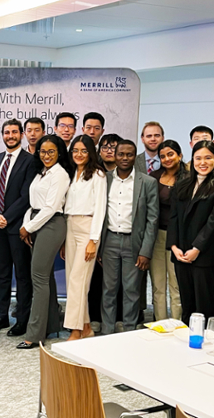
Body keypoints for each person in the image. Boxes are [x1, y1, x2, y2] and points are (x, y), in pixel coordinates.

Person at [0, 119, 36, 336]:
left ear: (21, 135)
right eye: (7, 132)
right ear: (2, 136)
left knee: (22, 275)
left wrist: (6, 216)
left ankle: (22, 320)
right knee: (1, 274)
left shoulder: (30, 161)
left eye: (14, 132)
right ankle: (2, 317)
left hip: (17, 228)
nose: (10, 135)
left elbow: (27, 195)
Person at [17, 134, 71, 348]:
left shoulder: (60, 175)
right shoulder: (41, 173)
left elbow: (50, 208)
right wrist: (26, 224)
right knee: (45, 277)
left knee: (38, 278)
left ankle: (34, 335)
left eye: (51, 151)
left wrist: (27, 227)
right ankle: (50, 325)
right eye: (43, 151)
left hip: (51, 224)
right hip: (36, 222)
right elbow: (33, 204)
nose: (46, 155)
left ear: (59, 153)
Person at [100, 139, 159, 334]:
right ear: (114, 156)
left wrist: (146, 251)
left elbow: (152, 219)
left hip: (134, 242)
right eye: (121, 154)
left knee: (131, 291)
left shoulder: (148, 182)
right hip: (109, 240)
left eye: (129, 154)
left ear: (135, 156)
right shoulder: (104, 179)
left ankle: (129, 331)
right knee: (108, 290)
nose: (125, 158)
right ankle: (107, 331)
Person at [166, 140, 214, 324]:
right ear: (192, 160)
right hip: (181, 253)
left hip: (204, 256)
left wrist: (196, 249)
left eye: (208, 158)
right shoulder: (182, 184)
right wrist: (174, 246)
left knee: (205, 306)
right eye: (198, 158)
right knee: (187, 304)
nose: (203, 162)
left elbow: (213, 223)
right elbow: (173, 217)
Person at [63, 135, 107, 340]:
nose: (79, 154)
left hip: (88, 228)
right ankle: (87, 326)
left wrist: (93, 240)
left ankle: (75, 330)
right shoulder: (72, 173)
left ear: (91, 153)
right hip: (70, 226)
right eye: (75, 150)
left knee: (78, 281)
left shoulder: (98, 175)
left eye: (83, 150)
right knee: (73, 278)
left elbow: (100, 209)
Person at [149, 140, 188, 321]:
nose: (166, 159)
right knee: (157, 284)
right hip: (157, 235)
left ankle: (177, 324)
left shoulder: (189, 177)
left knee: (176, 284)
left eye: (170, 154)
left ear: (179, 155)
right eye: (162, 156)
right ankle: (160, 323)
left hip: (179, 237)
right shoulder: (154, 177)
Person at [90, 133, 122, 331]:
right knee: (95, 277)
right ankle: (94, 316)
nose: (109, 151)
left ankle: (117, 317)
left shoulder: (127, 173)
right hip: (94, 230)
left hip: (118, 232)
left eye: (114, 147)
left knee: (116, 279)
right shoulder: (93, 172)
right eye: (105, 147)